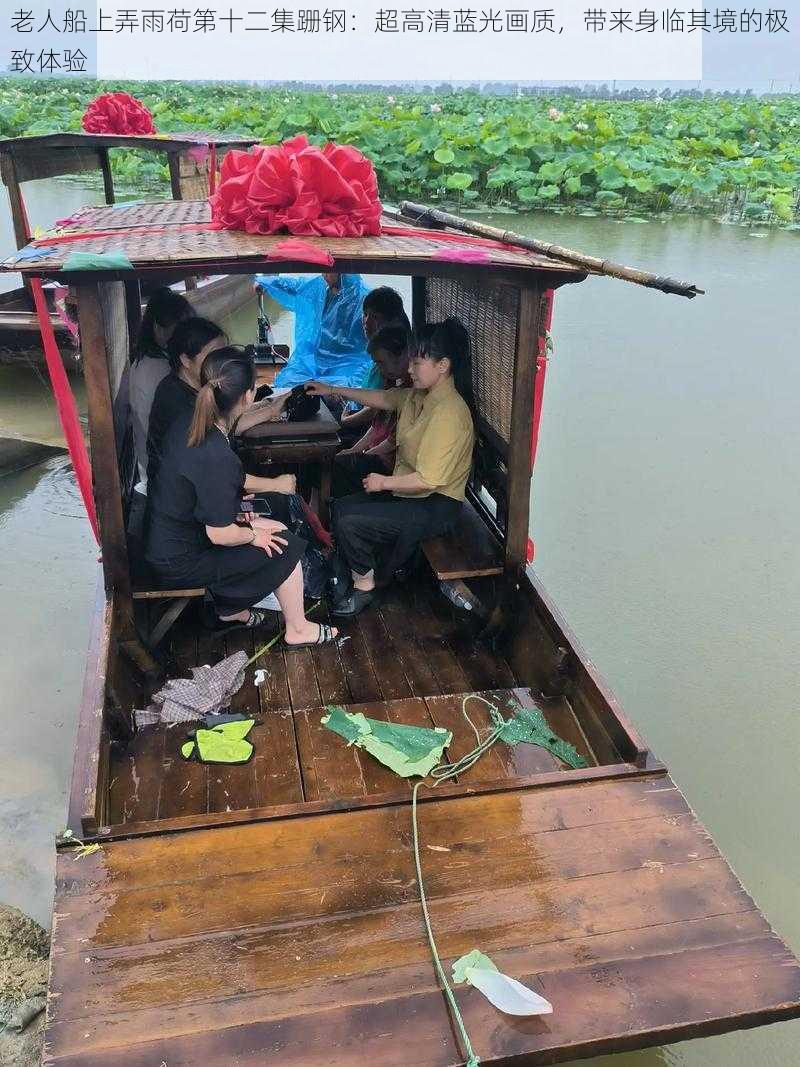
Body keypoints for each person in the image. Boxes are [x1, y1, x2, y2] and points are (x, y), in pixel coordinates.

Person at [146, 345, 338, 645]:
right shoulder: (216, 453)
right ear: (249, 396)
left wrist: (242, 517)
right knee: (285, 546)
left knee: (275, 527)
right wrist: (251, 536)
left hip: (172, 540)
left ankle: (231, 611)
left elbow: (204, 492)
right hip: (181, 562)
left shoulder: (191, 423)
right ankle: (298, 629)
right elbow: (220, 535)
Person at [307, 318, 475, 616]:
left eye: (417, 362)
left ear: (443, 365)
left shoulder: (450, 413)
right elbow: (382, 398)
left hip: (435, 505)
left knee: (350, 523)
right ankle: (366, 567)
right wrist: (331, 388)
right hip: (412, 494)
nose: (409, 370)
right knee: (343, 507)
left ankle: (365, 588)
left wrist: (383, 483)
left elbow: (428, 479)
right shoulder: (418, 396)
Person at [148, 317, 292, 493]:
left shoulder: (197, 387)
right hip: (183, 498)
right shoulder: (176, 401)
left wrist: (265, 405)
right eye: (214, 352)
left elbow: (223, 418)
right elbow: (224, 432)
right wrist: (276, 485)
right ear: (186, 360)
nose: (223, 359)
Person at [253, 273, 371, 389]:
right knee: (288, 384)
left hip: (348, 361)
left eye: (328, 272)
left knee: (346, 389)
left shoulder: (364, 297)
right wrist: (265, 282)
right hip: (313, 358)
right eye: (323, 271)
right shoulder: (319, 286)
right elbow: (294, 285)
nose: (324, 275)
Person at [332, 323, 411, 497]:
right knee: (332, 455)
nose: (380, 370)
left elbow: (392, 442)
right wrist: (354, 450)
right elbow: (376, 427)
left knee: (332, 466)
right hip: (376, 453)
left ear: (402, 357)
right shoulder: (392, 384)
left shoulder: (410, 393)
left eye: (382, 363)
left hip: (389, 466)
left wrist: (363, 454)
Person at [128, 288, 192, 490]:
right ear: (158, 327)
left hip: (160, 464)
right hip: (164, 474)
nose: (185, 336)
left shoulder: (154, 359)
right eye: (179, 328)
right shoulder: (158, 370)